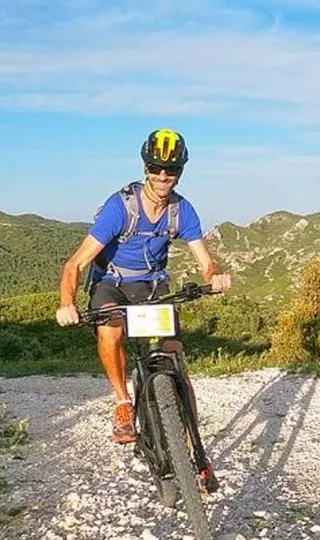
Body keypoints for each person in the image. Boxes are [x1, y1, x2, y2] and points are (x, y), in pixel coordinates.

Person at [55, 128, 231, 443]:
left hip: (151, 285)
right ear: (145, 168)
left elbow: (206, 261)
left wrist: (214, 276)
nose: (163, 176)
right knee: (111, 331)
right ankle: (123, 402)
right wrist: (67, 302)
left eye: (172, 170)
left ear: (180, 172)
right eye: (156, 168)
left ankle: (193, 441)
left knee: (173, 352)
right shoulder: (121, 207)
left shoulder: (182, 210)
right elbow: (76, 264)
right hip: (111, 281)